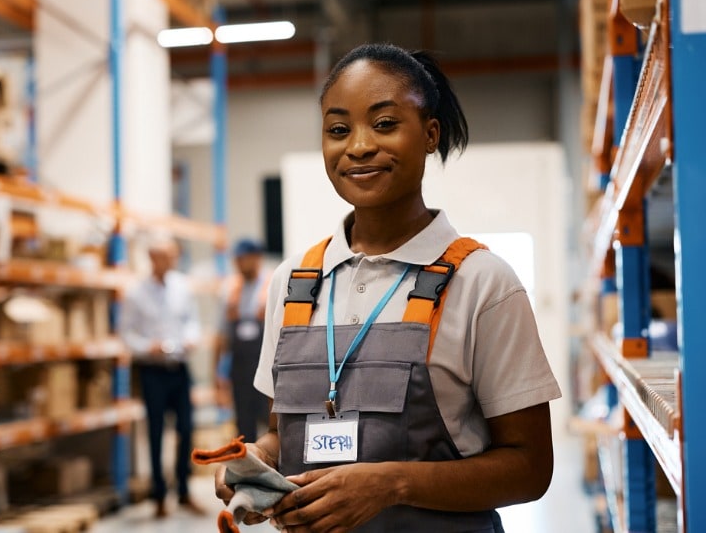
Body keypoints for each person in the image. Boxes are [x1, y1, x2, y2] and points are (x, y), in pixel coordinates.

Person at [213, 43, 561, 532]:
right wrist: (259, 460)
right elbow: (282, 433)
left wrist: (392, 485)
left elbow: (530, 468)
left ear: (430, 135)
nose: (357, 146)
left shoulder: (482, 283)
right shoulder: (292, 283)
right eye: (338, 129)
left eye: (384, 124)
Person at [119, 236, 206, 518]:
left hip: (179, 368)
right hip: (152, 370)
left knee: (186, 428)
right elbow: (126, 334)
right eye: (164, 256)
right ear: (152, 257)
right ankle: (159, 495)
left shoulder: (182, 287)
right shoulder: (135, 293)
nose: (170, 261)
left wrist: (192, 339)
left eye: (173, 256)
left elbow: (192, 321)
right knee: (156, 431)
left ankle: (183, 490)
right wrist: (148, 347)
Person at [215, 238, 271, 441]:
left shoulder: (272, 286)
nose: (239, 263)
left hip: (265, 364)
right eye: (236, 259)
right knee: (244, 424)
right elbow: (221, 337)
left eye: (243, 259)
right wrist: (218, 375)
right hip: (240, 369)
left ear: (257, 258)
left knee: (270, 420)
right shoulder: (230, 290)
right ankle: (247, 469)